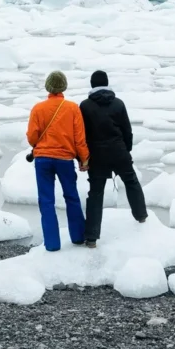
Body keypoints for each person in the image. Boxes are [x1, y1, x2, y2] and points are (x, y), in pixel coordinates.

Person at [79, 70, 147, 248]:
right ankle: (141, 217)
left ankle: (92, 238)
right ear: (107, 83)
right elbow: (127, 130)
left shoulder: (85, 106)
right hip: (119, 151)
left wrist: (83, 157)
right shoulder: (118, 103)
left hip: (97, 154)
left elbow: (82, 134)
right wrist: (126, 149)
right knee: (131, 181)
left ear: (92, 85)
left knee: (96, 193)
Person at [26, 70, 90, 251]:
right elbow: (79, 138)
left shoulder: (38, 108)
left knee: (46, 201)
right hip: (65, 160)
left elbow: (32, 137)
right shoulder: (72, 108)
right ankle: (78, 237)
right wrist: (84, 159)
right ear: (64, 87)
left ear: (48, 86)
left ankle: (52, 244)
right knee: (71, 197)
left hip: (43, 160)